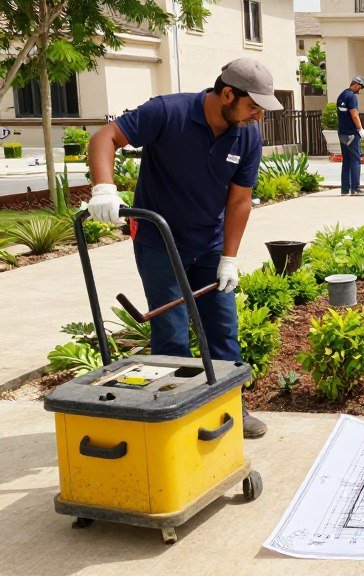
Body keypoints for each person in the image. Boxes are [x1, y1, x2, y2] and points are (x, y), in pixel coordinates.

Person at [86, 57, 285, 439]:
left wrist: (229, 257)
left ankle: (231, 409)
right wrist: (104, 188)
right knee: (172, 335)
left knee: (223, 331)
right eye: (253, 105)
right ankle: (174, 419)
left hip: (209, 244)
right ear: (227, 93)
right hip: (159, 242)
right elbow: (104, 138)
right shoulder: (168, 112)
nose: (258, 115)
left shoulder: (247, 136)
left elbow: (239, 200)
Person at [337, 76, 364, 196]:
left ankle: (345, 189)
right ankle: (355, 189)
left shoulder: (341, 95)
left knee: (346, 161)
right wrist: (360, 129)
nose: (360, 89)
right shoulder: (352, 97)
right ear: (355, 84)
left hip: (342, 133)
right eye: (360, 87)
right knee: (356, 161)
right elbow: (354, 115)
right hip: (352, 134)